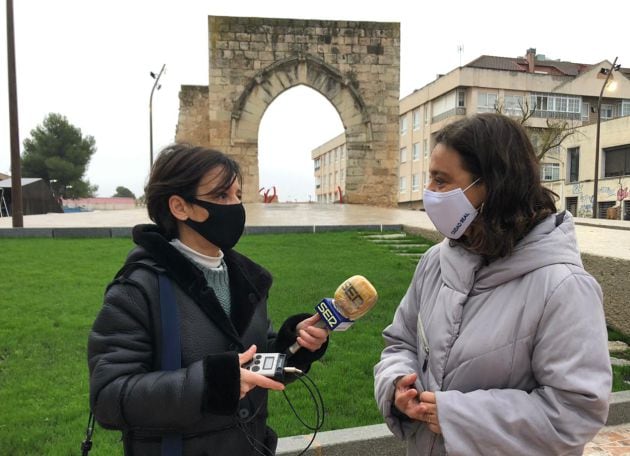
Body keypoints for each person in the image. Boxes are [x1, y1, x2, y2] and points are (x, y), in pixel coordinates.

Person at [374, 113, 611, 455]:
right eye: (430, 179)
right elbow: (399, 343)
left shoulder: (563, 287)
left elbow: (576, 412)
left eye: (441, 181)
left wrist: (459, 417)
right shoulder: (435, 263)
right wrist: (398, 385)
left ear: (494, 186)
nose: (429, 193)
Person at [88, 144, 329, 456]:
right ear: (180, 207)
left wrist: (294, 346)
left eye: (238, 195)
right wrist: (209, 384)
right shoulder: (137, 290)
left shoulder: (247, 280)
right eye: (221, 196)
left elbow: (249, 361)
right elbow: (109, 397)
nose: (235, 206)